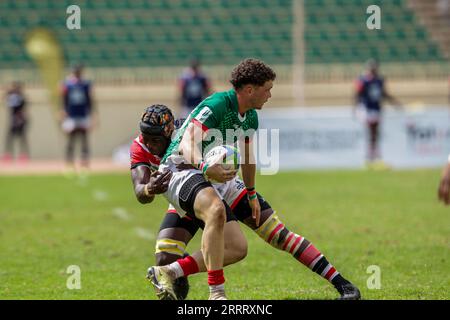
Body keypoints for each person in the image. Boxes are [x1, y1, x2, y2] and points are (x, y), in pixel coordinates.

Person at [144, 58, 361, 300]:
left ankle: (343, 285)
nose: (269, 95)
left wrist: (251, 193)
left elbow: (247, 158)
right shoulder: (217, 104)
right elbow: (187, 144)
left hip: (216, 176)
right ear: (250, 90)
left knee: (258, 241)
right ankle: (217, 294)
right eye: (267, 89)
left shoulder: (250, 118)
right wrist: (206, 167)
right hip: (180, 170)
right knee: (215, 211)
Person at [354, 59, 402, 167]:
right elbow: (357, 94)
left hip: (376, 109)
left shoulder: (380, 80)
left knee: (375, 133)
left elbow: (384, 94)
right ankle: (371, 157)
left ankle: (374, 156)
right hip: (367, 108)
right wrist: (356, 107)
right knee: (372, 132)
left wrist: (395, 103)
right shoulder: (363, 80)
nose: (373, 70)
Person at [61, 63, 97, 170]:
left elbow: (90, 99)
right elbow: (64, 98)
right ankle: (69, 161)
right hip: (71, 115)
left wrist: (92, 113)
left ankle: (84, 161)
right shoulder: (67, 84)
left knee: (84, 138)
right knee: (71, 139)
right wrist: (62, 110)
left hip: (82, 114)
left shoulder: (85, 84)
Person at [2, 81, 29, 162]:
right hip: (15, 119)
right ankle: (10, 155)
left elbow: (19, 106)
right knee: (12, 138)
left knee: (19, 137)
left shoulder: (17, 96)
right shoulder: (15, 95)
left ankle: (22, 155)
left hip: (18, 119)